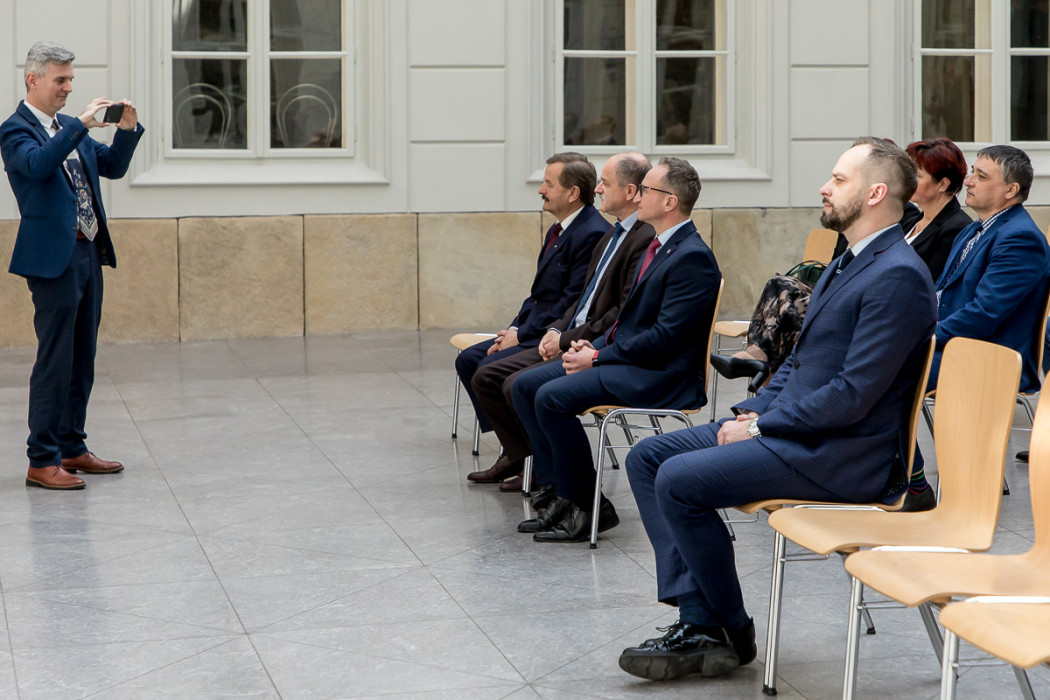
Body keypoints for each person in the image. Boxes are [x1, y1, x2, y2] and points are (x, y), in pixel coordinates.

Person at [617, 138, 937, 681]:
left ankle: (725, 628)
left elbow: (853, 394)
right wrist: (751, 412)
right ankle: (703, 621)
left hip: (840, 454)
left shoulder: (898, 275)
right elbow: (796, 362)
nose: (825, 187)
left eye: (839, 179)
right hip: (796, 430)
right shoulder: (849, 260)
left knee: (678, 479)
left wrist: (763, 425)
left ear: (875, 193)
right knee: (648, 458)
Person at [509, 157, 721, 542]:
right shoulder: (658, 245)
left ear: (669, 202)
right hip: (628, 358)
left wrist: (596, 357)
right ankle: (561, 495)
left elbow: (665, 339)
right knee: (525, 386)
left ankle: (585, 504)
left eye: (647, 190)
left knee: (551, 398)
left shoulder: (692, 257)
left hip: (661, 374)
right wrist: (592, 344)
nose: (639, 196)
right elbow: (627, 319)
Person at [0, 42, 144, 490]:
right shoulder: (15, 130)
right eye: (60, 80)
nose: (67, 88)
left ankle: (71, 446)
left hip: (87, 252)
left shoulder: (67, 127)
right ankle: (41, 460)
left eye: (70, 80)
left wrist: (126, 130)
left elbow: (112, 167)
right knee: (56, 360)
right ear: (33, 79)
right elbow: (38, 165)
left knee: (83, 358)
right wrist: (81, 125)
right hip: (52, 260)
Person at [467, 153, 654, 489]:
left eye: (605, 183)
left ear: (630, 191)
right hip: (568, 333)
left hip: (597, 346)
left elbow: (619, 314)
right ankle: (535, 467)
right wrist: (549, 331)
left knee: (514, 382)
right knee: (486, 369)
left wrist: (563, 339)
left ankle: (555, 481)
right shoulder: (612, 235)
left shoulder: (629, 238)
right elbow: (577, 298)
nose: (598, 189)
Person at [454, 153, 608, 483]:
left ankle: (529, 458)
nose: (540, 190)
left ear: (573, 193)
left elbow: (572, 301)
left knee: (487, 372)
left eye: (548, 184)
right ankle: (518, 450)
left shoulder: (592, 232)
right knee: (468, 360)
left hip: (556, 333)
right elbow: (538, 294)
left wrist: (523, 336)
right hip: (535, 328)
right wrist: (513, 328)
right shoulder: (561, 228)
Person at [929, 145, 1050, 467]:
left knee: (884, 368)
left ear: (1010, 190)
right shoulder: (977, 228)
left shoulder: (1020, 238)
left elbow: (985, 314)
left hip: (987, 356)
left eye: (981, 176)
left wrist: (925, 337)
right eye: (972, 172)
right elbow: (942, 293)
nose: (969, 181)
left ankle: (904, 477)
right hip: (958, 346)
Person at [902, 138, 972, 280]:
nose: (907, 180)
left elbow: (932, 281)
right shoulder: (914, 219)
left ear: (943, 184)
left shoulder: (956, 228)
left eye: (917, 175)